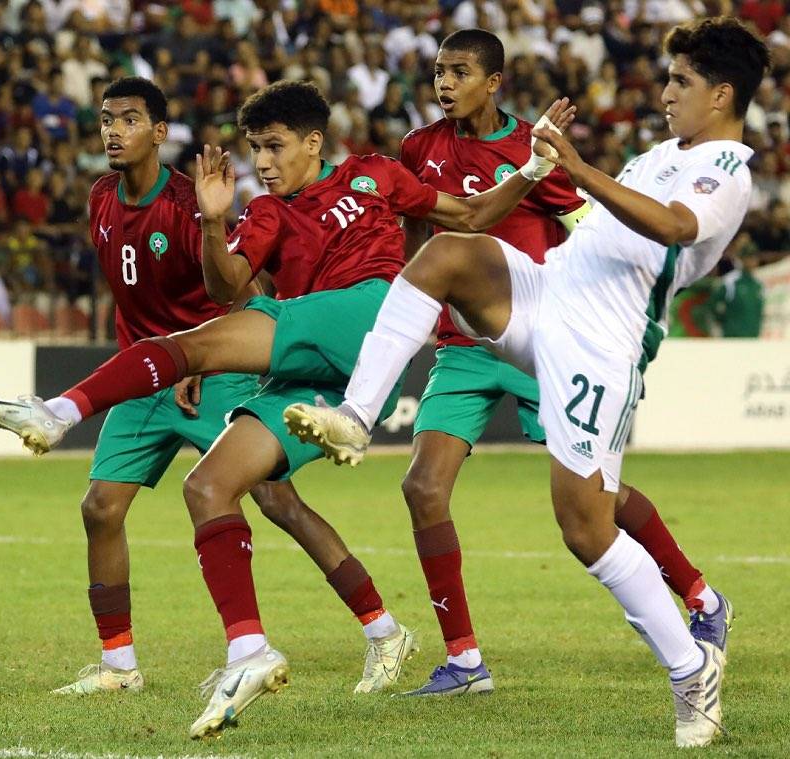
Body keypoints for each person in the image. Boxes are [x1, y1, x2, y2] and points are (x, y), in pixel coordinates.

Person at [0, 80, 573, 737]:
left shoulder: (374, 173)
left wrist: (536, 168)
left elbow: (471, 215)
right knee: (209, 487)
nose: (262, 161)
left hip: (371, 316)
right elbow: (226, 285)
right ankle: (249, 650)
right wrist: (211, 218)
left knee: (188, 347)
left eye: (274, 146)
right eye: (255, 147)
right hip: (309, 367)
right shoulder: (266, 214)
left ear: (314, 142)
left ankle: (58, 410)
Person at [285, 17, 765, 748]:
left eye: (681, 82)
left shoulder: (727, 167)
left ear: (723, 94)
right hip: (548, 293)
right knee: (447, 254)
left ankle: (690, 664)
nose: (666, 93)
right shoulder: (665, 150)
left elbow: (672, 226)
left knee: (584, 525)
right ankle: (355, 413)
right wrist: (562, 173)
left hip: (602, 343)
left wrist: (575, 165)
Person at [0, 77, 408, 699]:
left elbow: (238, 290)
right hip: (138, 377)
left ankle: (381, 628)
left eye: (128, 119)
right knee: (99, 508)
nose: (112, 131)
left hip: (205, 374)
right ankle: (118, 666)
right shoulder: (101, 198)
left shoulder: (189, 202)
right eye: (106, 119)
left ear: (159, 132)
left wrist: (216, 360)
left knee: (277, 502)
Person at [389, 28, 725, 697]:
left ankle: (701, 598)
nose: (445, 83)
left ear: (494, 82)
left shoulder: (533, 148)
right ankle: (463, 660)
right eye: (438, 72)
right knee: (422, 488)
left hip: (546, 334)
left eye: (460, 71)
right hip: (465, 346)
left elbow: (585, 231)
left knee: (595, 499)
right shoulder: (418, 148)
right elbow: (416, 237)